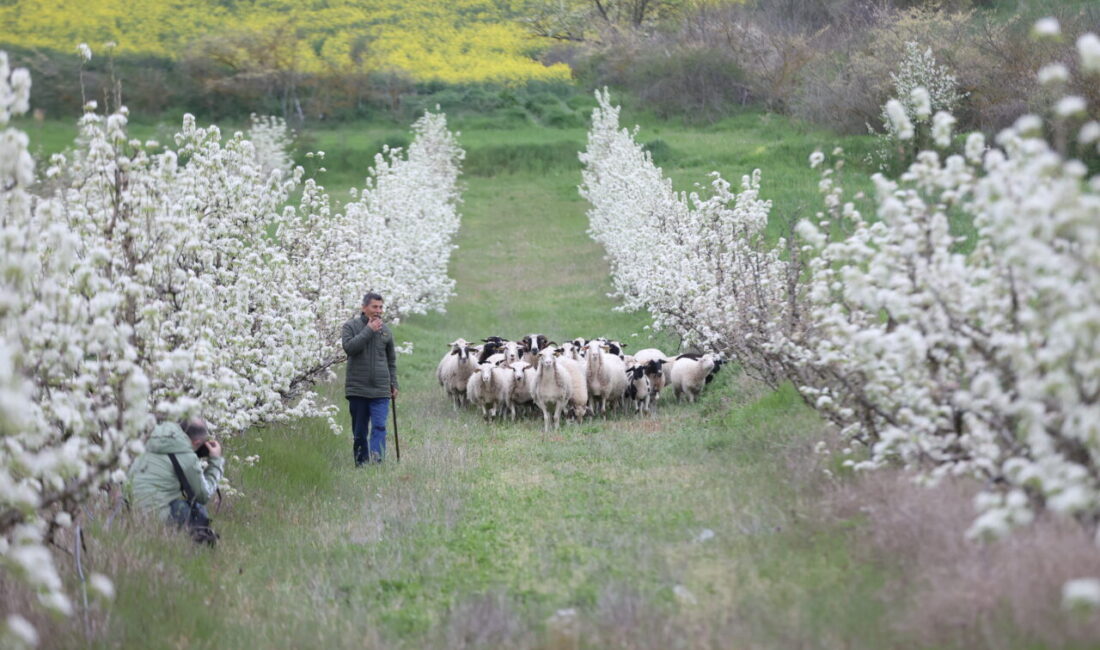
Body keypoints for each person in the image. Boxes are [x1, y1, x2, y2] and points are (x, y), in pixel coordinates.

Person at [128, 417, 225, 524]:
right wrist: (216, 461)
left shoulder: (150, 441)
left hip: (130, 511)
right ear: (197, 442)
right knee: (197, 510)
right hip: (156, 518)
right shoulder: (187, 457)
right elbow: (203, 495)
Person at [342, 291, 399, 465]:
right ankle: (361, 463)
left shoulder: (386, 332)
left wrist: (393, 383)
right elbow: (350, 348)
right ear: (364, 307)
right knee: (359, 431)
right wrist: (368, 330)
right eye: (375, 306)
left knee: (380, 426)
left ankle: (377, 461)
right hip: (358, 389)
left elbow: (391, 360)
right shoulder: (350, 326)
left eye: (381, 307)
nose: (379, 310)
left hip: (381, 389)